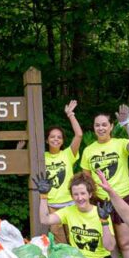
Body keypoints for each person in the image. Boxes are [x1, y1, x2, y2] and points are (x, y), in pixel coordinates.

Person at [80, 106, 129, 258]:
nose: (100, 128)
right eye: (97, 125)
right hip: (101, 201)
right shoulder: (89, 150)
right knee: (111, 244)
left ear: (111, 126)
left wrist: (127, 125)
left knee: (126, 242)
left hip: (123, 197)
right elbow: (86, 177)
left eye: (104, 125)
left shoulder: (120, 143)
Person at [35, 172, 117, 258]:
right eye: (76, 194)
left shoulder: (101, 212)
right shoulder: (68, 211)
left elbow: (110, 246)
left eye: (83, 193)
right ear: (72, 196)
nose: (79, 198)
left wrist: (104, 221)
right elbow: (45, 219)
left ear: (90, 194)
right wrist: (43, 196)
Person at [43, 100, 84, 244]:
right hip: (52, 205)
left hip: (70, 203)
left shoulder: (68, 154)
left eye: (59, 137)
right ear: (47, 140)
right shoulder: (41, 157)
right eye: (52, 136)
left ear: (62, 141)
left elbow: (78, 135)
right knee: (60, 242)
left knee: (76, 239)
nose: (56, 139)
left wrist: (70, 115)